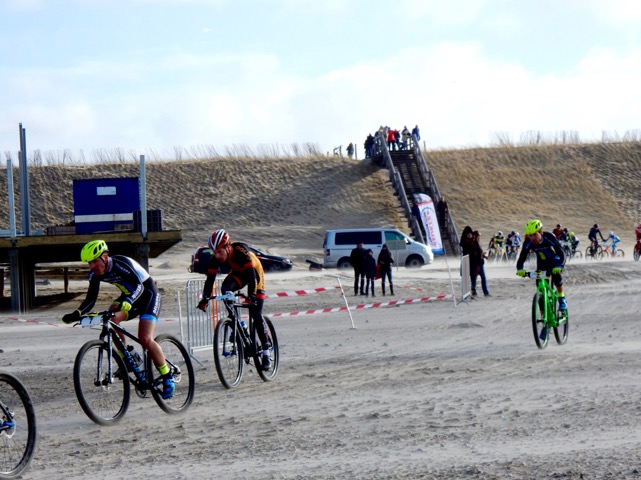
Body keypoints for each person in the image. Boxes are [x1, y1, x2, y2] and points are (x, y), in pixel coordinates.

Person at [62, 240, 175, 399]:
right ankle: (128, 357)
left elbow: (139, 286)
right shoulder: (95, 274)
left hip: (148, 296)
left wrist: (128, 300)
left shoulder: (120, 264)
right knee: (111, 316)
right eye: (89, 263)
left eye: (94, 261)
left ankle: (167, 375)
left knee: (145, 338)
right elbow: (90, 299)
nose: (92, 266)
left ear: (105, 257)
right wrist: (77, 313)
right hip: (130, 299)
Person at [197, 229, 273, 370]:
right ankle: (236, 323)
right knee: (226, 288)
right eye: (214, 252)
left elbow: (251, 276)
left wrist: (251, 295)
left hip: (254, 274)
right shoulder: (215, 259)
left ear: (227, 247)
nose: (217, 255)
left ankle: (266, 351)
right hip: (239, 273)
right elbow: (210, 280)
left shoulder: (240, 250)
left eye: (220, 251)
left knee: (256, 313)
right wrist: (205, 298)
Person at [516, 220, 567, 317]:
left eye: (534, 234)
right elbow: (522, 257)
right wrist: (520, 269)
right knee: (540, 292)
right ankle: (544, 318)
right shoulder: (528, 242)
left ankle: (561, 298)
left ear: (541, 232)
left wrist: (560, 265)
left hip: (554, 260)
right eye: (530, 235)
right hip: (541, 264)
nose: (532, 238)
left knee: (556, 275)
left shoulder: (549, 237)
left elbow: (561, 253)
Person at [472, 231, 490, 297]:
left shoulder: (477, 243)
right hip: (477, 264)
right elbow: (476, 254)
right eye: (479, 236)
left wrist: (484, 256)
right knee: (477, 278)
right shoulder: (474, 244)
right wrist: (482, 255)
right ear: (476, 236)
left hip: (479, 263)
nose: (480, 237)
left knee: (477, 278)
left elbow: (480, 252)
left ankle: (484, 292)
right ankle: (483, 292)